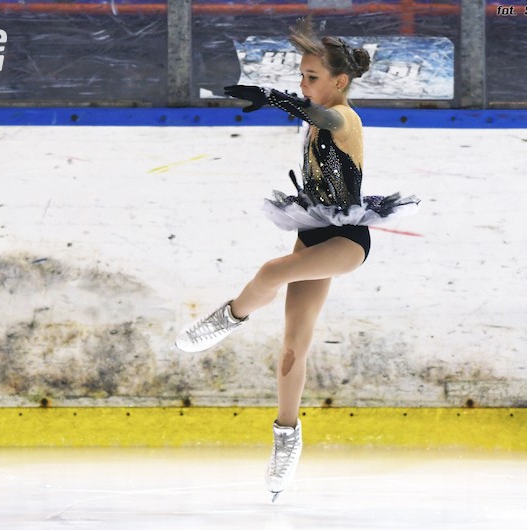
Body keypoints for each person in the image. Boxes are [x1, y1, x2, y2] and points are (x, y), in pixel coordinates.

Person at [175, 16, 419, 502]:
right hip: (313, 229)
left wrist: (274, 97)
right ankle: (286, 438)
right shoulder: (316, 113)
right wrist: (283, 99)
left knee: (271, 272)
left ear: (340, 82)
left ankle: (228, 318)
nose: (303, 83)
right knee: (292, 345)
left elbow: (326, 120)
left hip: (347, 240)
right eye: (301, 76)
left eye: (312, 77)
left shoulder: (345, 117)